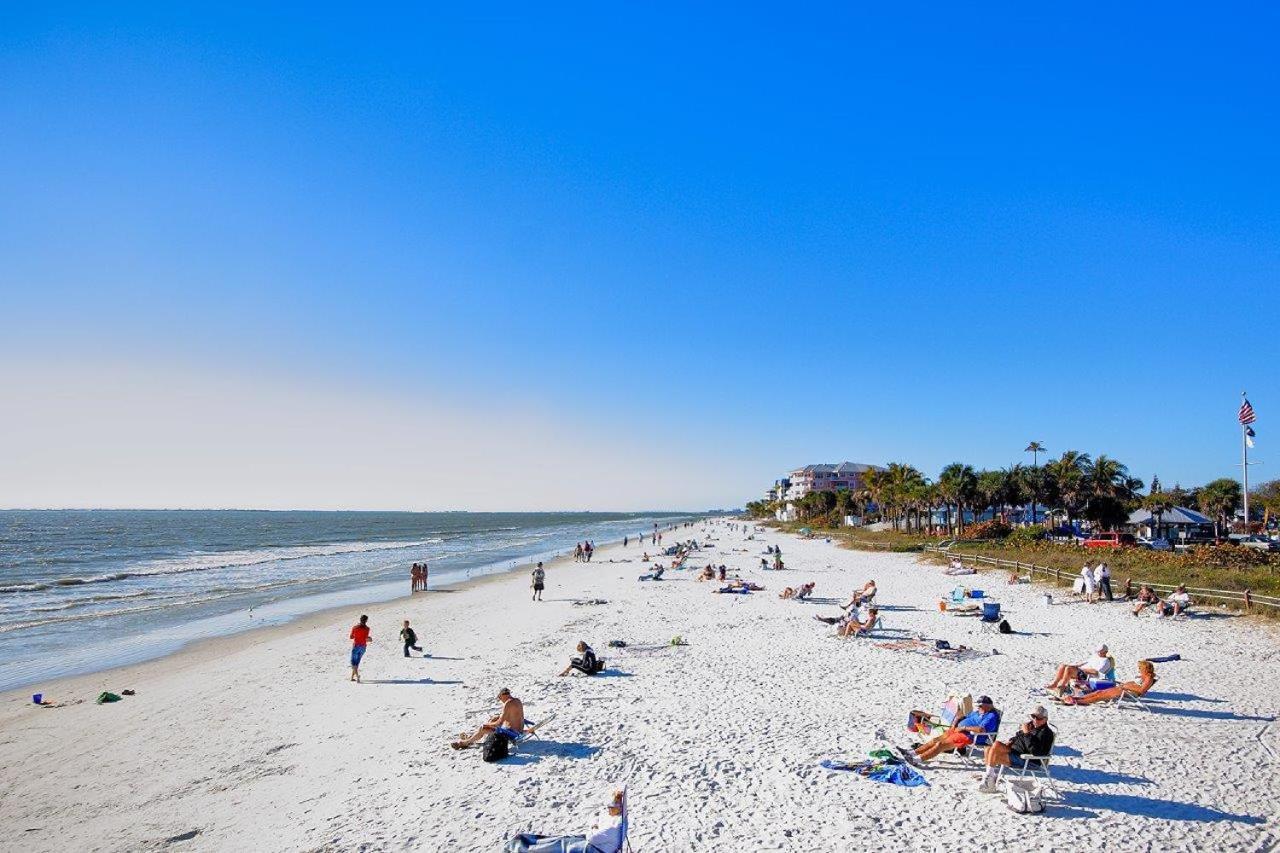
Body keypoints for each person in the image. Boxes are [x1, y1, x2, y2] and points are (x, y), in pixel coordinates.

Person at [977, 705, 1055, 792]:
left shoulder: (1046, 733)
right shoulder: (1031, 725)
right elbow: (1018, 736)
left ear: (1045, 719)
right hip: (1016, 752)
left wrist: (1026, 734)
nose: (1035, 720)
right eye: (1034, 716)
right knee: (988, 749)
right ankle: (990, 779)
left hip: (1029, 760)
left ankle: (989, 778)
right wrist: (1011, 741)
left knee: (996, 745)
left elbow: (1035, 751)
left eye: (1039, 718)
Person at [908, 695, 1000, 764]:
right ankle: (912, 753)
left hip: (969, 735)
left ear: (988, 706)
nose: (978, 708)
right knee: (936, 739)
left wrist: (964, 727)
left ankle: (917, 760)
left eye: (980, 706)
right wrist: (956, 721)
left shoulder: (991, 716)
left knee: (940, 744)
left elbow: (981, 730)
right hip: (958, 730)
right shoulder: (979, 712)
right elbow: (964, 716)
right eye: (978, 706)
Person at [451, 688, 525, 749]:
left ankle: (464, 743)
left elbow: (499, 723)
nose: (501, 700)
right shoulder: (517, 700)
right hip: (519, 730)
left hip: (512, 734)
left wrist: (487, 724)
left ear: (502, 695)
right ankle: (473, 737)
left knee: (483, 728)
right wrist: (495, 719)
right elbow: (514, 715)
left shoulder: (507, 704)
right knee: (494, 718)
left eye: (499, 698)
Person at [1062, 659, 1157, 705]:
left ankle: (1078, 702)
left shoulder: (1149, 678)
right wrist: (1125, 684)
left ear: (1145, 668)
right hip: (1124, 689)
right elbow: (1135, 683)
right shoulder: (1143, 676)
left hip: (1129, 692)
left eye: (1140, 668)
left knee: (1103, 696)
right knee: (1099, 692)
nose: (1139, 669)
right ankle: (1077, 698)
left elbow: (1141, 690)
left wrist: (1126, 687)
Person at [1046, 645, 1113, 690]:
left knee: (1068, 669)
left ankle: (1062, 686)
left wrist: (1081, 669)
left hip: (1088, 676)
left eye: (1100, 652)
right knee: (1063, 666)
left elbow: (1096, 672)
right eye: (1098, 651)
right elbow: (1083, 663)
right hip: (1081, 671)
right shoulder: (1095, 657)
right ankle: (1055, 683)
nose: (1098, 653)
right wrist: (1075, 666)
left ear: (1106, 652)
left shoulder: (1106, 661)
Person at [349, 615, 371, 682]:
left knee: (353, 663)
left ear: (360, 620)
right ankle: (352, 677)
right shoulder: (367, 628)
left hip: (356, 646)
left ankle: (357, 676)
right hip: (363, 647)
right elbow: (366, 638)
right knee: (357, 662)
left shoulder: (355, 627)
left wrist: (356, 635)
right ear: (366, 621)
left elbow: (351, 637)